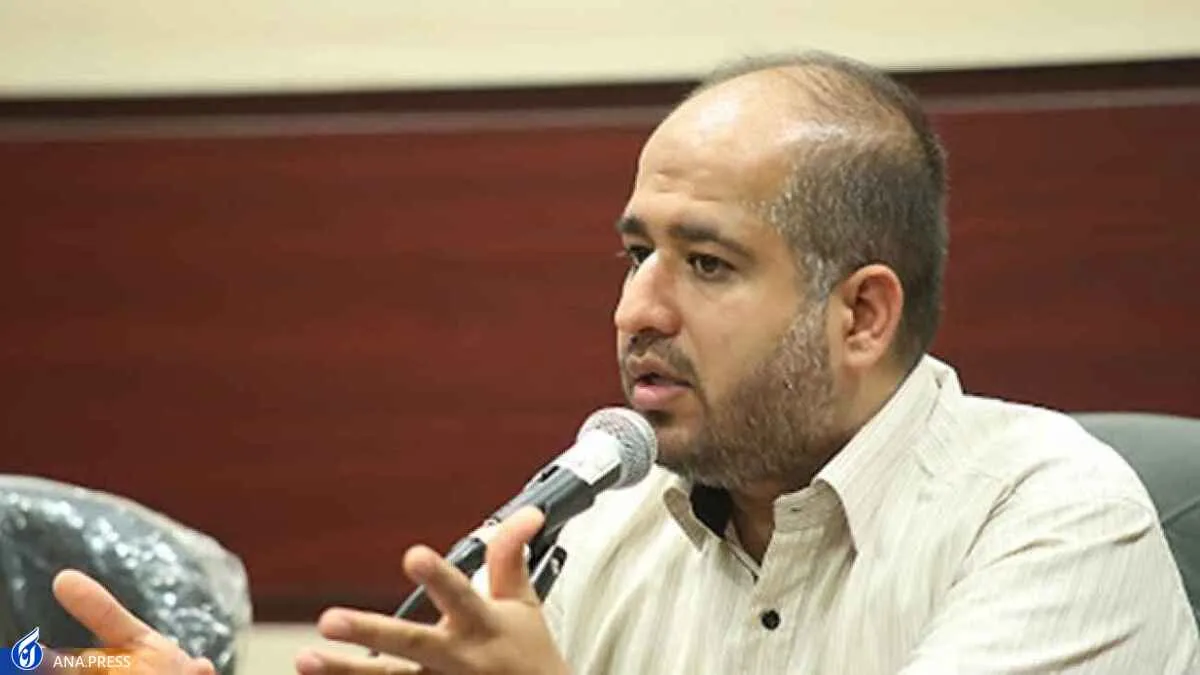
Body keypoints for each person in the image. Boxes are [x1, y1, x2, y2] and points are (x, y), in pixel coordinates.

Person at [46, 51, 1199, 673]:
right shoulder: (604, 531)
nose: (636, 308)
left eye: (706, 263)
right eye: (636, 252)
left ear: (860, 315)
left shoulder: (1056, 516)